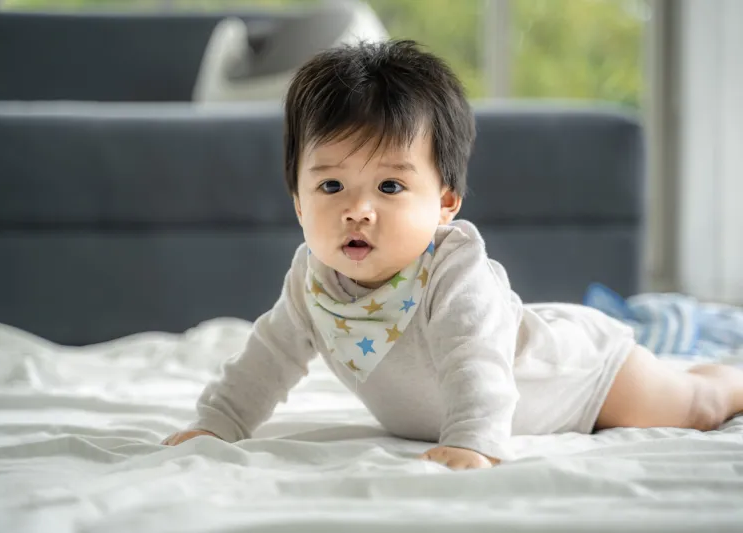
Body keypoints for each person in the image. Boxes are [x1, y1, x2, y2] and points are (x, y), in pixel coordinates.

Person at [163, 40, 743, 470]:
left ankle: (729, 375)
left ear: (444, 204)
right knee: (686, 381)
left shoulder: (454, 271)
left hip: (579, 377)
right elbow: (268, 356)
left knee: (696, 403)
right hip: (527, 372)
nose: (357, 210)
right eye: (331, 186)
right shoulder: (312, 279)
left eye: (390, 187)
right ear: (297, 201)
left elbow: (475, 360)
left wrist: (473, 439)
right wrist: (218, 423)